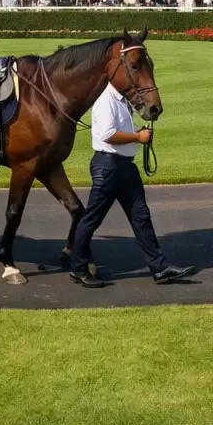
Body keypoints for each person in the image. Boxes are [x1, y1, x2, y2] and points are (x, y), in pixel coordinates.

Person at [67, 54, 194, 289]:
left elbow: (119, 130)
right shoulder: (106, 100)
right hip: (108, 167)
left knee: (141, 217)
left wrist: (137, 133)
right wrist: (138, 136)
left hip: (124, 166)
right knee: (91, 220)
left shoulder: (123, 100)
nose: (130, 81)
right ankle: (78, 268)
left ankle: (160, 267)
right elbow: (107, 134)